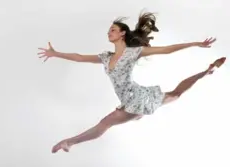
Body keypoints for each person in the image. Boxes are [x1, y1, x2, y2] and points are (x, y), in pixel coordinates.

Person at [37, 12, 226, 153]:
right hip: (132, 98)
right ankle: (207, 72)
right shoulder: (105, 57)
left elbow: (167, 49)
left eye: (113, 30)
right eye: (108, 30)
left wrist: (195, 44)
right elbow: (79, 57)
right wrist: (56, 53)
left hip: (136, 99)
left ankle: (69, 142)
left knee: (107, 122)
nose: (109, 32)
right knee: (174, 95)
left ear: (122, 33)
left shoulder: (134, 52)